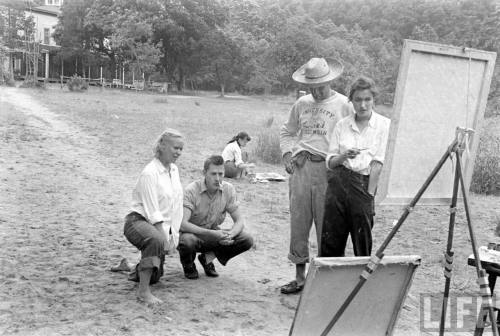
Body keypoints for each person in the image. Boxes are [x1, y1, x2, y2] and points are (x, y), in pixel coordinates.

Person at [279, 57, 353, 294]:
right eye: (313, 87)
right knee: (299, 222)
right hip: (302, 167)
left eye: (321, 85)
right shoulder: (301, 103)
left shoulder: (343, 104)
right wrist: (286, 155)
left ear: (331, 80)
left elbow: (354, 135)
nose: (318, 91)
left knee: (327, 225)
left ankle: (324, 281)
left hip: (329, 171)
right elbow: (287, 131)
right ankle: (300, 277)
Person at [321, 76, 390, 258]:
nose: (363, 105)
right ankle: (330, 284)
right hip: (338, 183)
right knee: (331, 238)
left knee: (362, 240)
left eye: (367, 99)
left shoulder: (385, 125)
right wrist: (343, 155)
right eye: (358, 100)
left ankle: (361, 285)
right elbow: (330, 162)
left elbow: (378, 163)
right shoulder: (342, 125)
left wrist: (369, 195)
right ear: (351, 101)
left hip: (364, 185)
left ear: (374, 99)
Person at [121, 128, 184, 304]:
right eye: (175, 148)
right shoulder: (150, 172)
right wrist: (163, 238)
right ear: (162, 146)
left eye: (181, 149)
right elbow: (152, 211)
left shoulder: (174, 170)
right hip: (137, 222)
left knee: (156, 275)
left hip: (157, 226)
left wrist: (174, 236)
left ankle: (130, 267)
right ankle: (143, 292)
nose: (178, 152)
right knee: (156, 241)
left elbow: (176, 206)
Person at [177, 155, 254, 279]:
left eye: (221, 174)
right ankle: (188, 265)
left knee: (246, 239)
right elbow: (183, 224)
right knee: (187, 241)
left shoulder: (228, 189)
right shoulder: (191, 190)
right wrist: (213, 234)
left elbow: (239, 220)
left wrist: (231, 234)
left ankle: (207, 259)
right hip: (192, 234)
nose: (217, 178)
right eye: (213, 174)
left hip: (214, 234)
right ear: (204, 173)